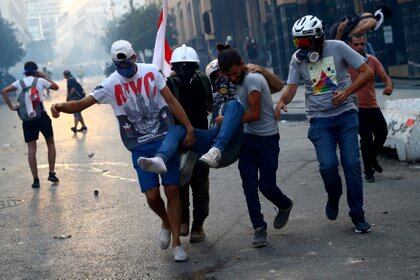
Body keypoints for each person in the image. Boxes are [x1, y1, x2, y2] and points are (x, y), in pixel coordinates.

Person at [51, 40, 195, 262]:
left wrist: (188, 127)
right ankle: (166, 221)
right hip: (138, 145)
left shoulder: (152, 72)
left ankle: (177, 243)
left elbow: (172, 101)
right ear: (114, 64)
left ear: (134, 57)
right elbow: (80, 104)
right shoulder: (110, 83)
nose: (125, 70)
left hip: (164, 139)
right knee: (152, 196)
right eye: (120, 66)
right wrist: (59, 106)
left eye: (128, 63)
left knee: (172, 190)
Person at [275, 15, 374, 234]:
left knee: (351, 163)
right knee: (328, 165)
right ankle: (334, 194)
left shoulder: (338, 48)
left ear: (318, 39)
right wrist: (282, 100)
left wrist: (347, 92)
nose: (300, 47)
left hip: (346, 114)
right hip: (319, 119)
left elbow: (368, 72)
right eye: (297, 42)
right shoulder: (297, 59)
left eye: (305, 42)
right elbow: (291, 87)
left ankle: (358, 215)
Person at [217, 44, 292, 248]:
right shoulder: (239, 80)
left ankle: (285, 204)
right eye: (228, 76)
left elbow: (254, 114)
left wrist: (228, 120)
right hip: (249, 140)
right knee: (249, 185)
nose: (232, 78)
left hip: (267, 140)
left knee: (266, 186)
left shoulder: (252, 78)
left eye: (234, 73)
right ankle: (259, 228)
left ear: (242, 65)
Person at [166, 44, 213, 242]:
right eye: (181, 67)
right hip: (182, 138)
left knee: (196, 183)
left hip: (197, 138)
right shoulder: (169, 83)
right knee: (183, 183)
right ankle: (187, 223)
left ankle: (197, 225)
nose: (184, 70)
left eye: (188, 67)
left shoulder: (201, 80)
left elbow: (210, 104)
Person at [2, 61, 60, 188]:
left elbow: (4, 91)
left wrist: (12, 107)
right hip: (42, 116)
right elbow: (56, 87)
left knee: (31, 149)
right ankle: (51, 173)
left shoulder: (20, 82)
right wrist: (44, 76)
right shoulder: (40, 81)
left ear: (25, 71)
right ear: (35, 71)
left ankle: (35, 180)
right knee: (50, 143)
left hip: (27, 120)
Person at [348, 33, 393, 183]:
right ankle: (368, 172)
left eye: (362, 44)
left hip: (372, 105)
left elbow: (385, 76)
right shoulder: (346, 62)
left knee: (382, 132)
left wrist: (388, 86)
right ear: (350, 45)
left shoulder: (371, 60)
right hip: (357, 107)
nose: (360, 47)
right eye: (356, 44)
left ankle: (372, 158)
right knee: (366, 139)